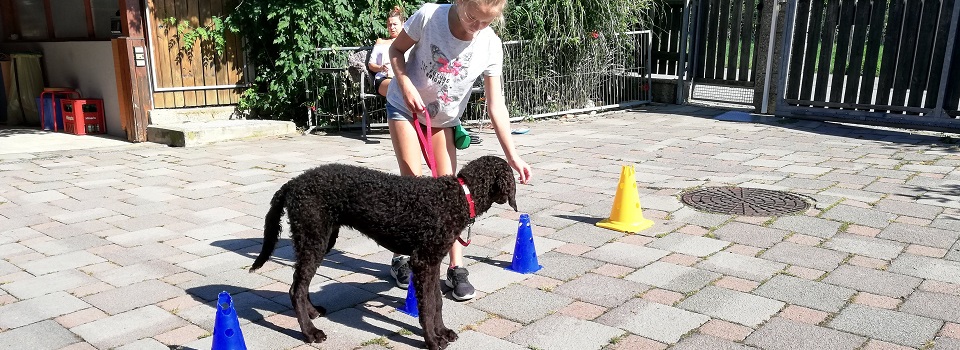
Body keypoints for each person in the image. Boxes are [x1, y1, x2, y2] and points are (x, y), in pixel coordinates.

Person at [385, 0, 532, 301]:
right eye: (472, 17)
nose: (476, 27)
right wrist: (405, 83)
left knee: (452, 194)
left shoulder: (490, 45)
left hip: (443, 120)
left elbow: (496, 105)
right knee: (413, 187)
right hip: (406, 108)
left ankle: (456, 266)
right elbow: (395, 51)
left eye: (486, 21)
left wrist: (512, 154)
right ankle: (405, 256)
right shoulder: (429, 16)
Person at [368, 7, 405, 97]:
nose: (392, 27)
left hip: (404, 77)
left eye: (395, 24)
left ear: (402, 24)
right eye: (389, 25)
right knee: (399, 88)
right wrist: (381, 68)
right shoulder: (381, 42)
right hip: (384, 78)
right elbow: (371, 65)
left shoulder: (408, 42)